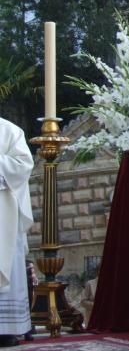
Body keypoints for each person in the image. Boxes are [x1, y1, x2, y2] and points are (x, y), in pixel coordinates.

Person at [0, 117, 34, 348]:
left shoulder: (9, 130)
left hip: (4, 213)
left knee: (7, 263)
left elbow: (24, 165)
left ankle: (6, 329)